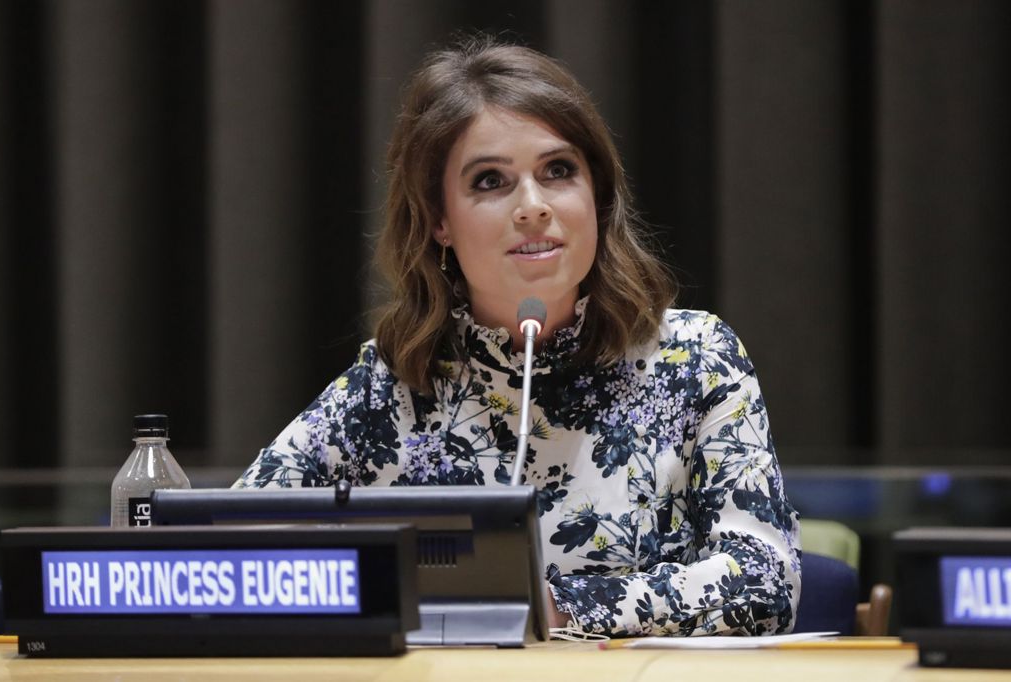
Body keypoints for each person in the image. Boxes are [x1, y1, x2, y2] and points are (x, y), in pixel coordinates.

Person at [234, 36, 801, 637]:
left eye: (558, 171)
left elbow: (765, 582)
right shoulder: (393, 381)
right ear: (439, 222)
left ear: (597, 195)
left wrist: (556, 607)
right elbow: (233, 551)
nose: (532, 206)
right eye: (489, 182)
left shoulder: (695, 358)